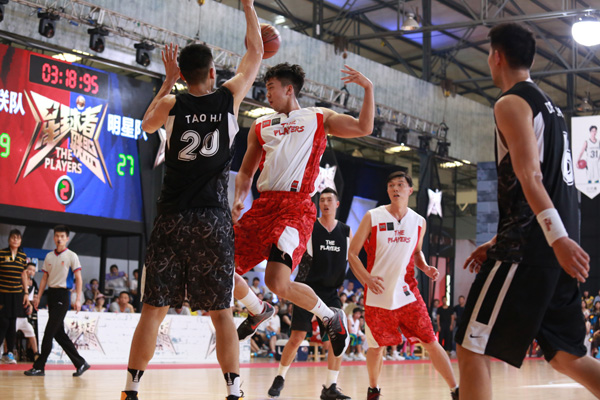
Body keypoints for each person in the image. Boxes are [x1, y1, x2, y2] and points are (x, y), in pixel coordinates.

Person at [120, 2, 264, 399]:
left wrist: (168, 83)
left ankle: (131, 389)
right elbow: (256, 52)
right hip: (213, 221)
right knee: (221, 314)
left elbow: (146, 124)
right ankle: (233, 391)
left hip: (172, 217)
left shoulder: (172, 103)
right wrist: (248, 7)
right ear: (213, 72)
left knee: (153, 310)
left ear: (184, 74)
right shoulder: (229, 97)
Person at [455, 23, 600, 400]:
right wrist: (500, 239)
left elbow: (530, 177)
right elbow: (550, 185)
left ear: (497, 56)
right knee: (568, 356)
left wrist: (555, 239)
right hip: (552, 249)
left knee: (471, 345)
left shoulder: (511, 103)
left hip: (529, 250)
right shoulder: (552, 110)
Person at [232, 61, 374, 360]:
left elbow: (364, 127)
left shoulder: (319, 117)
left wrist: (368, 89)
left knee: (277, 282)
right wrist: (239, 199)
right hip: (263, 206)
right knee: (221, 269)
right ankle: (258, 310)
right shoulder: (260, 125)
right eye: (266, 87)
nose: (267, 93)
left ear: (289, 89)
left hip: (295, 208)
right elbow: (245, 172)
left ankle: (330, 316)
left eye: (271, 87)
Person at [348, 171, 459, 400]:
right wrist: (367, 278)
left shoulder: (419, 222)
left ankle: (456, 390)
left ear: (410, 190)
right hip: (378, 294)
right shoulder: (373, 216)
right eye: (391, 185)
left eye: (400, 184)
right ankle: (373, 389)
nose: (395, 188)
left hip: (408, 294)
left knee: (431, 341)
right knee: (376, 347)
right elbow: (352, 253)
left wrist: (425, 267)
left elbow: (416, 252)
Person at [266, 188, 353, 399]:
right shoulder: (310, 227)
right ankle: (280, 377)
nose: (325, 203)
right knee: (297, 337)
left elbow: (352, 259)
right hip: (306, 289)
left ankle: (330, 386)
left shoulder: (346, 231)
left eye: (329, 200)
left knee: (336, 339)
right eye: (322, 200)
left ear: (337, 204)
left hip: (331, 292)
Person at [25, 225, 89, 377]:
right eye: (57, 236)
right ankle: (81, 363)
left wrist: (78, 299)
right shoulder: (49, 256)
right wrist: (38, 297)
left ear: (67, 238)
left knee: (49, 332)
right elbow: (44, 279)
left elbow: (78, 279)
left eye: (62, 236)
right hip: (51, 295)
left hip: (63, 296)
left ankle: (39, 366)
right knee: (58, 334)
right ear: (54, 238)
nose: (59, 239)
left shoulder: (72, 256)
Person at [0, 229, 29, 364]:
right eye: (13, 237)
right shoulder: (1, 253)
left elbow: (23, 275)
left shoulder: (23, 256)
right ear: (9, 239)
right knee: (3, 322)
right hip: (2, 293)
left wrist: (26, 293)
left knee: (12, 323)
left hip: (16, 294)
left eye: (18, 238)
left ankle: (9, 353)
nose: (15, 240)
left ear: (20, 241)